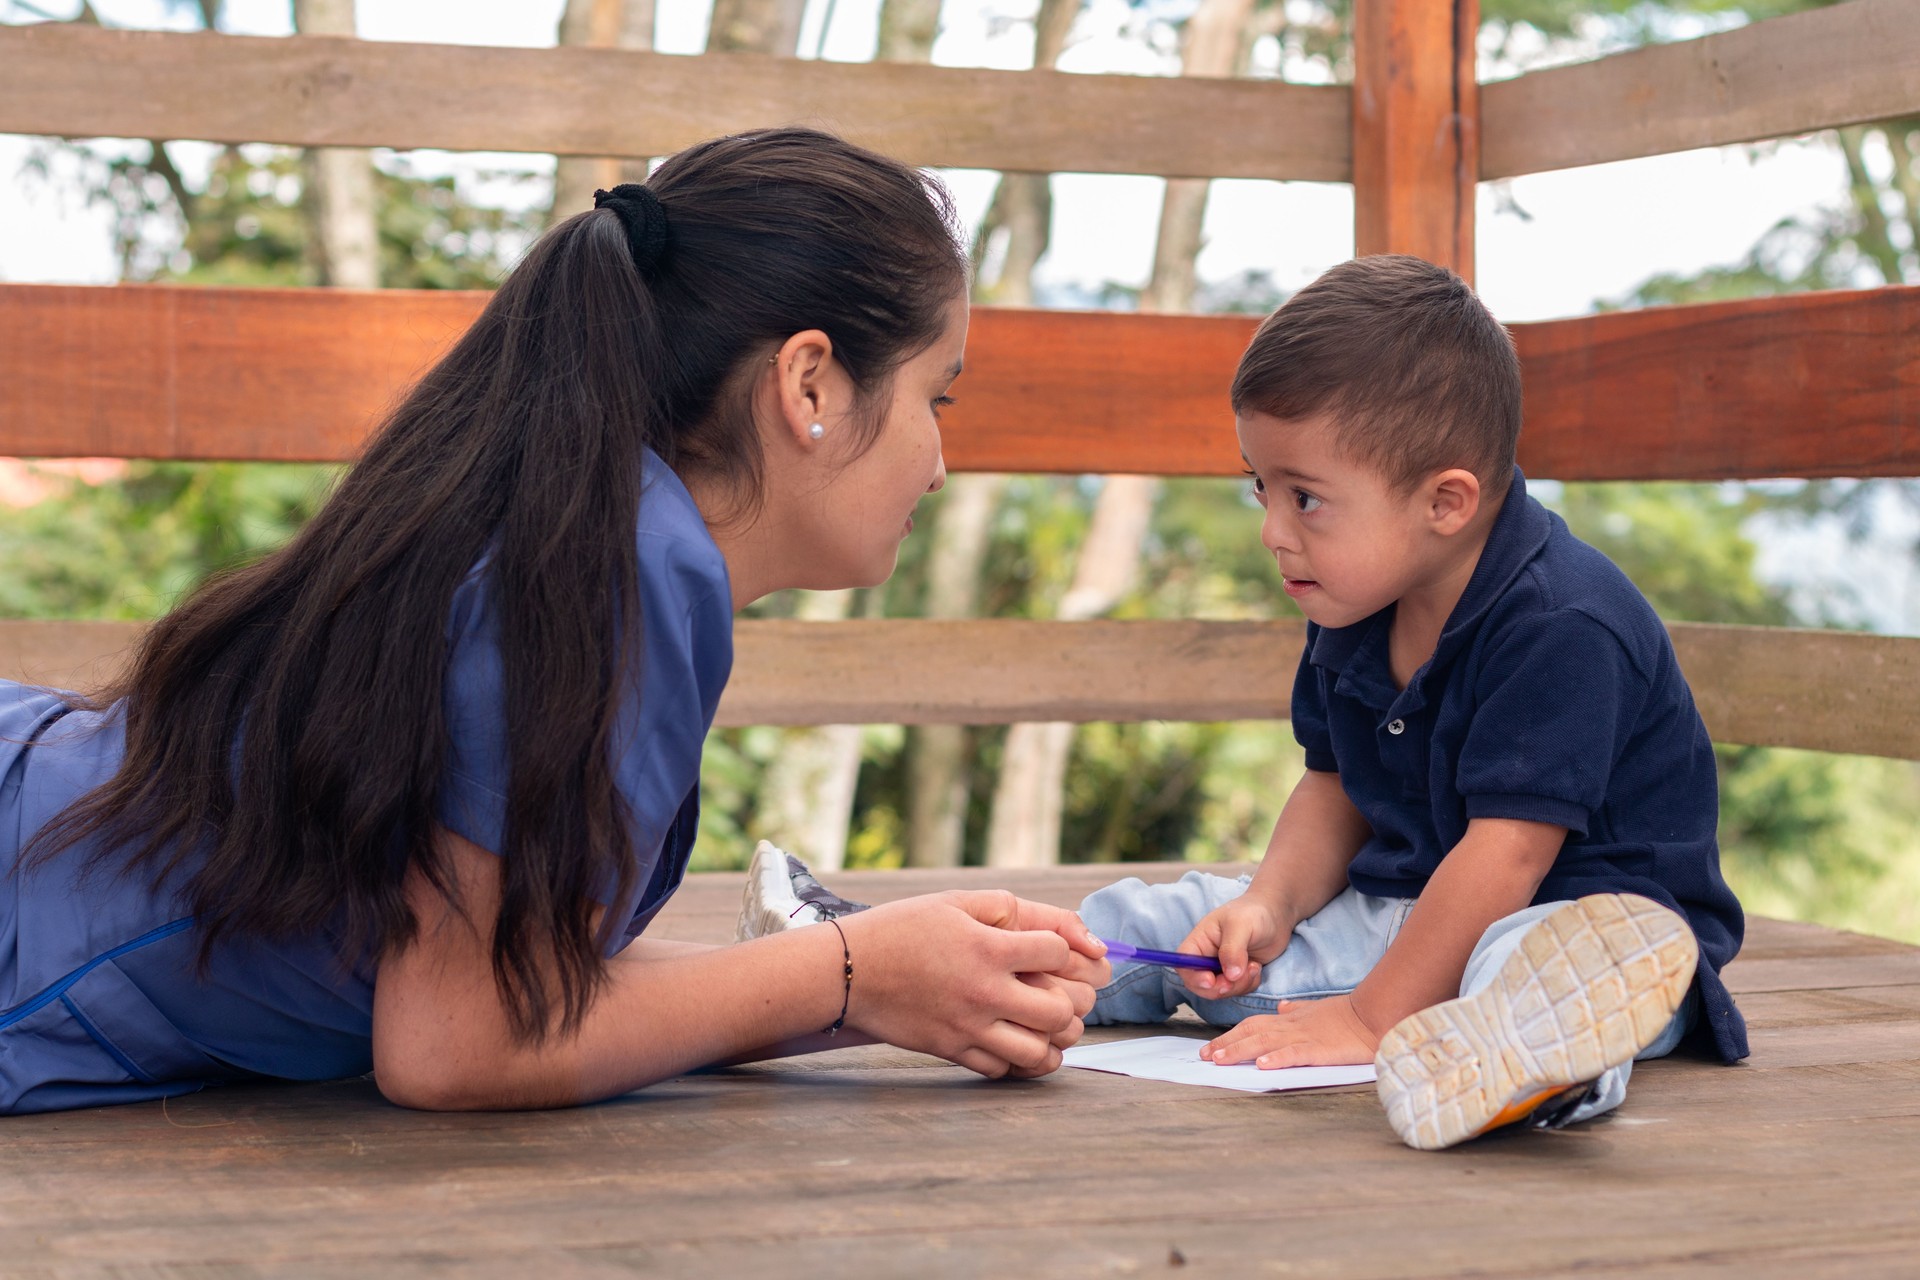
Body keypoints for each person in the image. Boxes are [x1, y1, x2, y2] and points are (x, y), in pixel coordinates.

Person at [0, 128, 1107, 1117]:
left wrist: (877, 986)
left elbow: (522, 976)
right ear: (809, 383)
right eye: (937, 396)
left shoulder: (592, 523)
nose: (942, 461)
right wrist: (853, 968)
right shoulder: (625, 565)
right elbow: (455, 1040)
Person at [744, 255, 1747, 1152]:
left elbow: (1510, 854)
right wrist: (1266, 901)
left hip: (1562, 915)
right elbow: (1333, 787)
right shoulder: (1357, 590)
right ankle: (873, 956)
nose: (1273, 530)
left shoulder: (1565, 623)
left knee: (1521, 960)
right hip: (1402, 907)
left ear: (1446, 500)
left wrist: (1364, 1018)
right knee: (1179, 917)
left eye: (1302, 495)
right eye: (1257, 488)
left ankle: (1552, 1059)